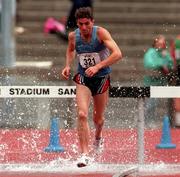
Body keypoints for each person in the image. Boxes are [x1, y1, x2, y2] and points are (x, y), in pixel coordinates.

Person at [61, 7, 122, 167]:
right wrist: (67, 65)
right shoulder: (73, 36)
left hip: (101, 78)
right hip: (83, 78)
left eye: (87, 24)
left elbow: (117, 54)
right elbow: (70, 50)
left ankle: (98, 137)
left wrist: (98, 66)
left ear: (92, 22)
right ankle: (84, 155)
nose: (84, 27)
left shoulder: (101, 33)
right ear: (77, 24)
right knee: (81, 114)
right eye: (80, 24)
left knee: (98, 119)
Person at [143, 35, 174, 128]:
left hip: (162, 82)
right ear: (155, 43)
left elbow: (171, 64)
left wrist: (166, 61)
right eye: (159, 43)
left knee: (164, 104)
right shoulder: (151, 52)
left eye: (163, 43)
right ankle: (147, 122)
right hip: (151, 82)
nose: (161, 45)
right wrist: (161, 63)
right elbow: (149, 64)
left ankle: (166, 122)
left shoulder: (165, 53)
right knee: (151, 104)